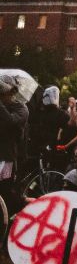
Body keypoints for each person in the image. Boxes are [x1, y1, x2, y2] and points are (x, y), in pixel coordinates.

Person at [0, 75, 29, 213]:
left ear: (12, 91)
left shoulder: (21, 108)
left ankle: (25, 204)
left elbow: (10, 122)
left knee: (5, 190)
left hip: (7, 159)